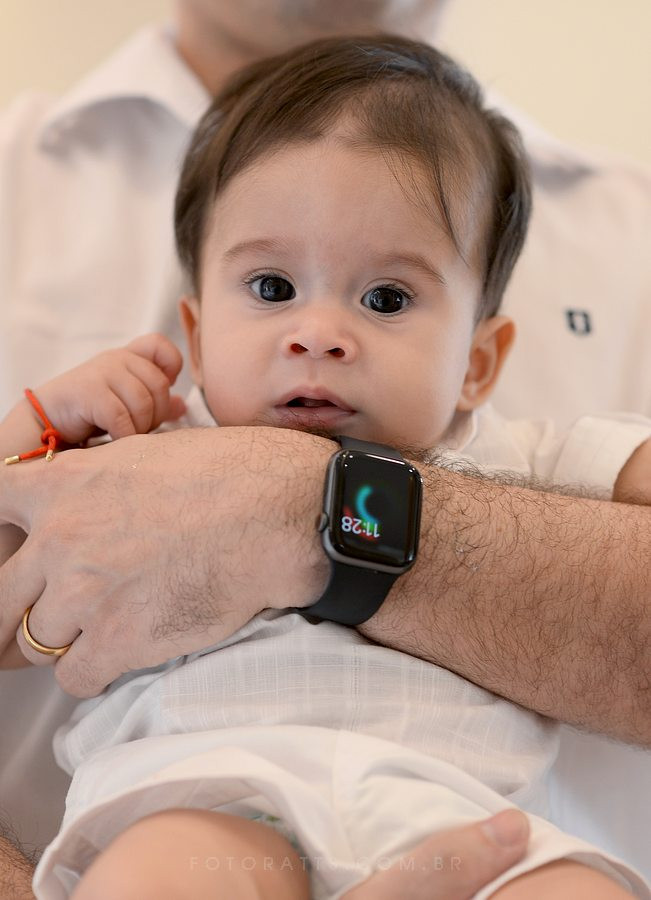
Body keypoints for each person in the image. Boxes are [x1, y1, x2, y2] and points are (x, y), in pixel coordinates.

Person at [0, 0, 649, 888]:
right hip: (202, 800)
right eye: (271, 287)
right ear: (196, 337)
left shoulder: (520, 457)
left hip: (467, 818)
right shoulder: (136, 450)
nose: (317, 334)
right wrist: (35, 433)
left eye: (385, 300)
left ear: (476, 364)